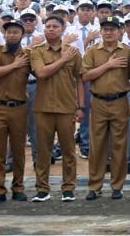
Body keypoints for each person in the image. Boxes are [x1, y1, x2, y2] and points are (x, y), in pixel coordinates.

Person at [81, 15, 130, 200]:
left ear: (119, 31)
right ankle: (95, 185)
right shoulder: (92, 51)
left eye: (112, 29)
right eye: (105, 29)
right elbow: (86, 76)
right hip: (98, 101)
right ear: (101, 31)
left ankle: (117, 185)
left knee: (119, 145)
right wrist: (109, 65)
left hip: (120, 101)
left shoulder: (127, 51)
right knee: (97, 145)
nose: (108, 32)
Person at [28, 15, 83, 203]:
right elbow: (41, 73)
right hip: (43, 107)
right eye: (47, 26)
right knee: (43, 151)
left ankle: (68, 188)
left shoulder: (73, 52)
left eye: (55, 26)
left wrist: (80, 106)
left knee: (69, 151)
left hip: (67, 107)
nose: (50, 29)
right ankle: (42, 189)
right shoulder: (37, 51)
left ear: (63, 29)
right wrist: (62, 59)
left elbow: (80, 79)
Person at [0, 19, 31, 204]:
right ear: (4, 34)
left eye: (16, 32)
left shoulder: (28, 54)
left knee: (19, 150)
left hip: (19, 107)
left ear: (22, 34)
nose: (12, 35)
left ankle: (18, 187)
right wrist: (14, 65)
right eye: (9, 32)